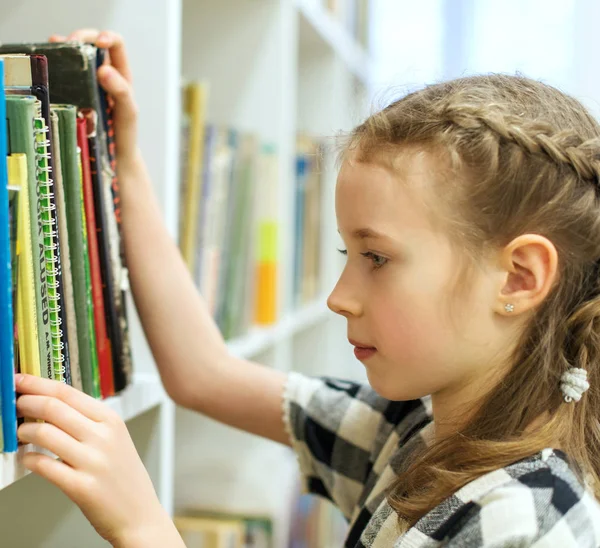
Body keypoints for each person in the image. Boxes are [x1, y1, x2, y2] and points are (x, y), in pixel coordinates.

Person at [14, 29, 600, 547]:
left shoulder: (526, 521)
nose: (338, 297)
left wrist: (142, 529)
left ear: (520, 278)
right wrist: (122, 167)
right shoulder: (416, 431)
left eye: (377, 257)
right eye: (349, 253)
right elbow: (203, 375)